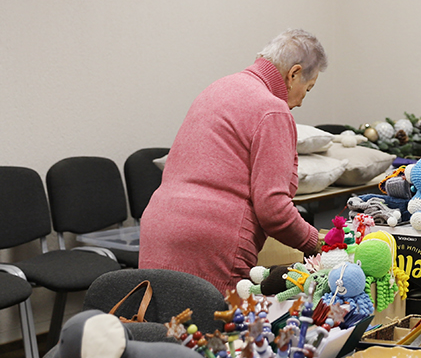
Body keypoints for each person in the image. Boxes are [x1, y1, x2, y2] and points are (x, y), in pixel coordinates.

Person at [140, 29, 326, 293]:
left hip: (158, 232)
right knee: (214, 330)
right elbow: (273, 209)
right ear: (293, 74)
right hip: (211, 243)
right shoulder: (272, 108)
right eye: (307, 89)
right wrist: (317, 242)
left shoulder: (219, 87)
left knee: (163, 329)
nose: (301, 102)